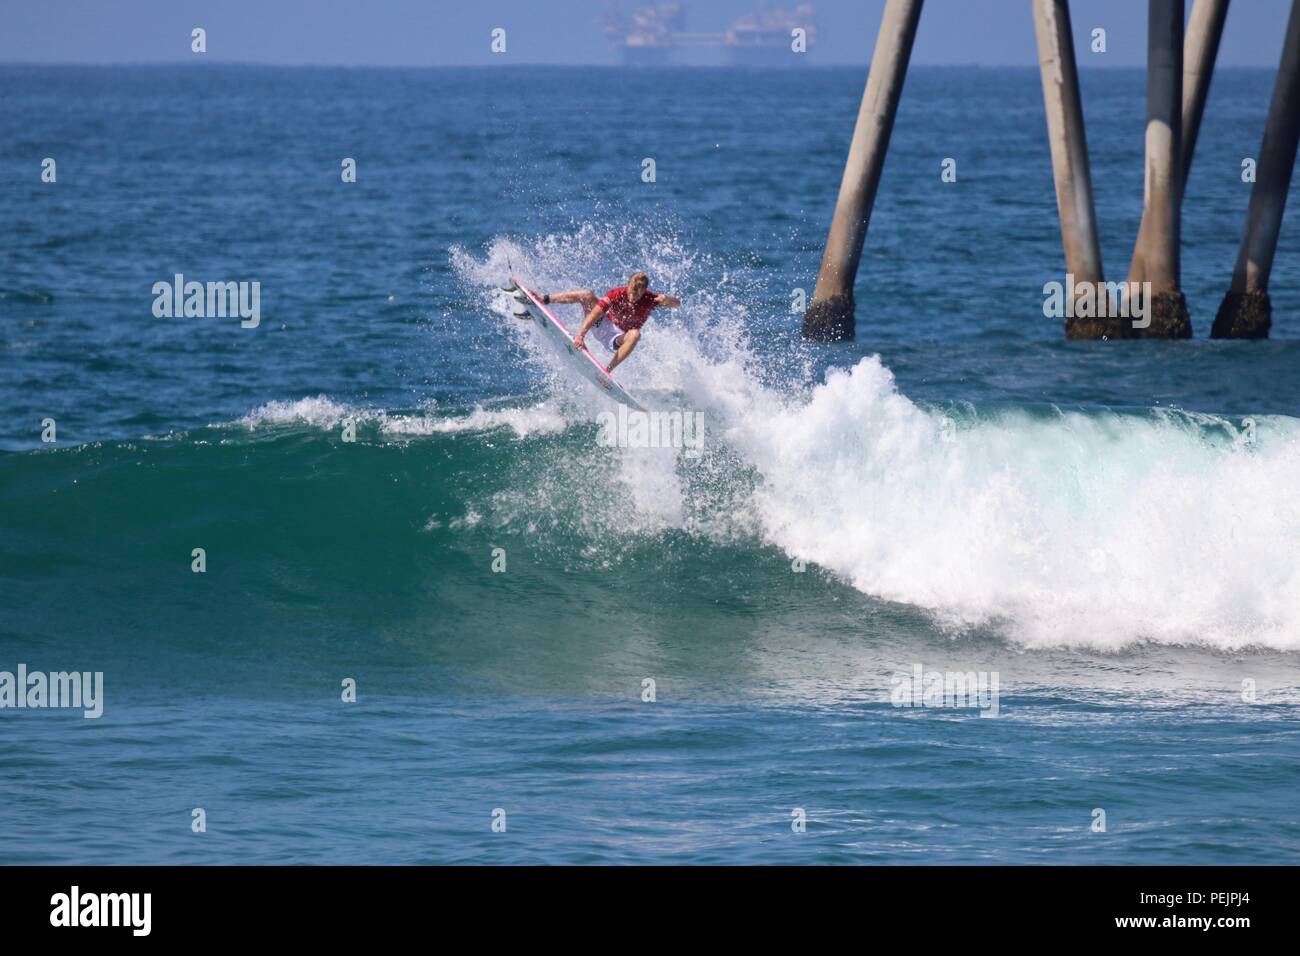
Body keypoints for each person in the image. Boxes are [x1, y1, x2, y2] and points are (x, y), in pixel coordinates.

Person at [540, 272, 679, 372]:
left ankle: (607, 370)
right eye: (631, 292)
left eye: (637, 295)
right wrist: (581, 336)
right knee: (586, 295)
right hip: (601, 324)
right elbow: (595, 313)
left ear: (644, 292)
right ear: (628, 285)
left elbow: (677, 304)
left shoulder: (650, 299)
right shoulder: (616, 293)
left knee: (635, 334)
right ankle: (544, 299)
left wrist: (667, 299)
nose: (632, 297)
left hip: (618, 338)